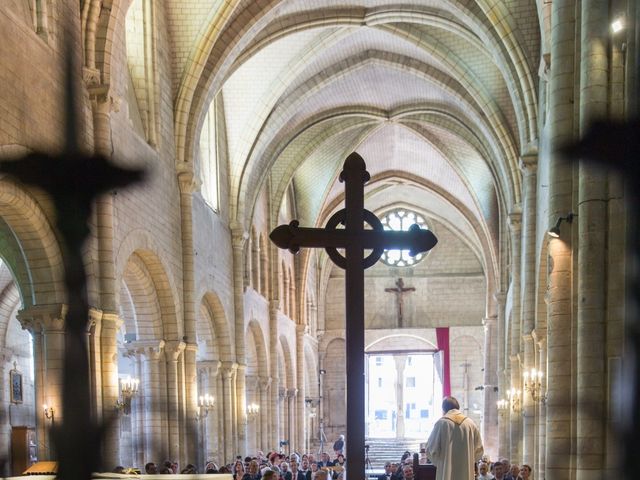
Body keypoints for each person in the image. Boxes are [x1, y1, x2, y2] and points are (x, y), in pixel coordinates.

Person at [426, 396, 484, 480]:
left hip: (446, 473)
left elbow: (431, 449)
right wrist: (467, 459)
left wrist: (442, 461)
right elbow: (479, 450)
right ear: (458, 407)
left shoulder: (441, 423)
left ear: (444, 409)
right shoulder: (470, 424)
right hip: (466, 472)